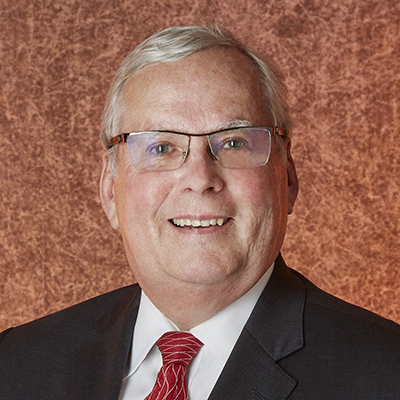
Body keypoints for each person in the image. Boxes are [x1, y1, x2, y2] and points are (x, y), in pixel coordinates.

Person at [1, 25, 400, 400]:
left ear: (288, 179)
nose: (200, 178)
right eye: (161, 147)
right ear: (109, 190)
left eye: (234, 143)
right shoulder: (17, 364)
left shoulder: (385, 374)